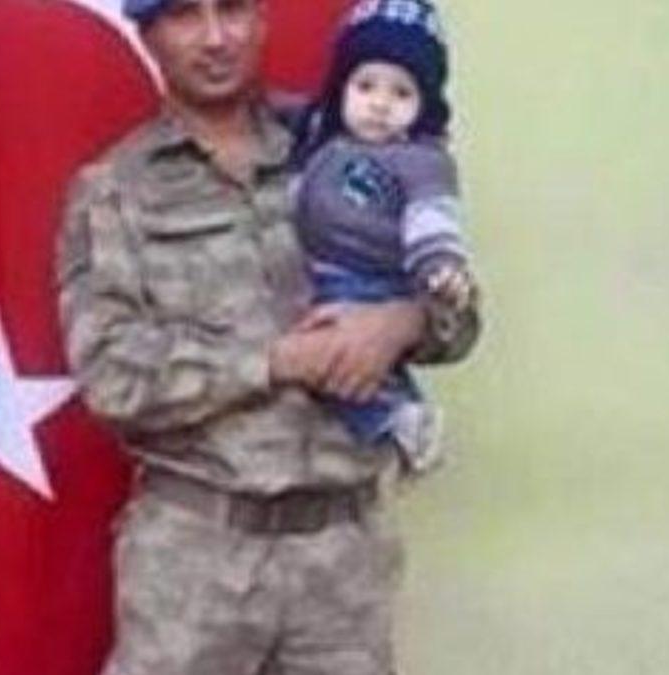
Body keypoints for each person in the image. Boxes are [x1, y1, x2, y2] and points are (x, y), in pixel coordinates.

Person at [55, 0, 480, 672]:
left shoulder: (349, 138)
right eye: (185, 15)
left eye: (232, 9)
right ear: (149, 33)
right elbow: (111, 377)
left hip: (341, 559)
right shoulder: (114, 190)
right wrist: (278, 360)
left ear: (261, 18)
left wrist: (402, 321)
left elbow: (460, 313)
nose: (215, 37)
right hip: (194, 562)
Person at [292, 0, 477, 475]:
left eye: (401, 93)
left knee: (341, 364)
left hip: (367, 280)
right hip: (321, 273)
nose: (379, 103)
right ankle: (400, 416)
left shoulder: (420, 161)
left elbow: (432, 220)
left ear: (424, 105)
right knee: (332, 361)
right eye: (365, 86)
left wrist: (440, 270)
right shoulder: (319, 136)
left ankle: (400, 422)